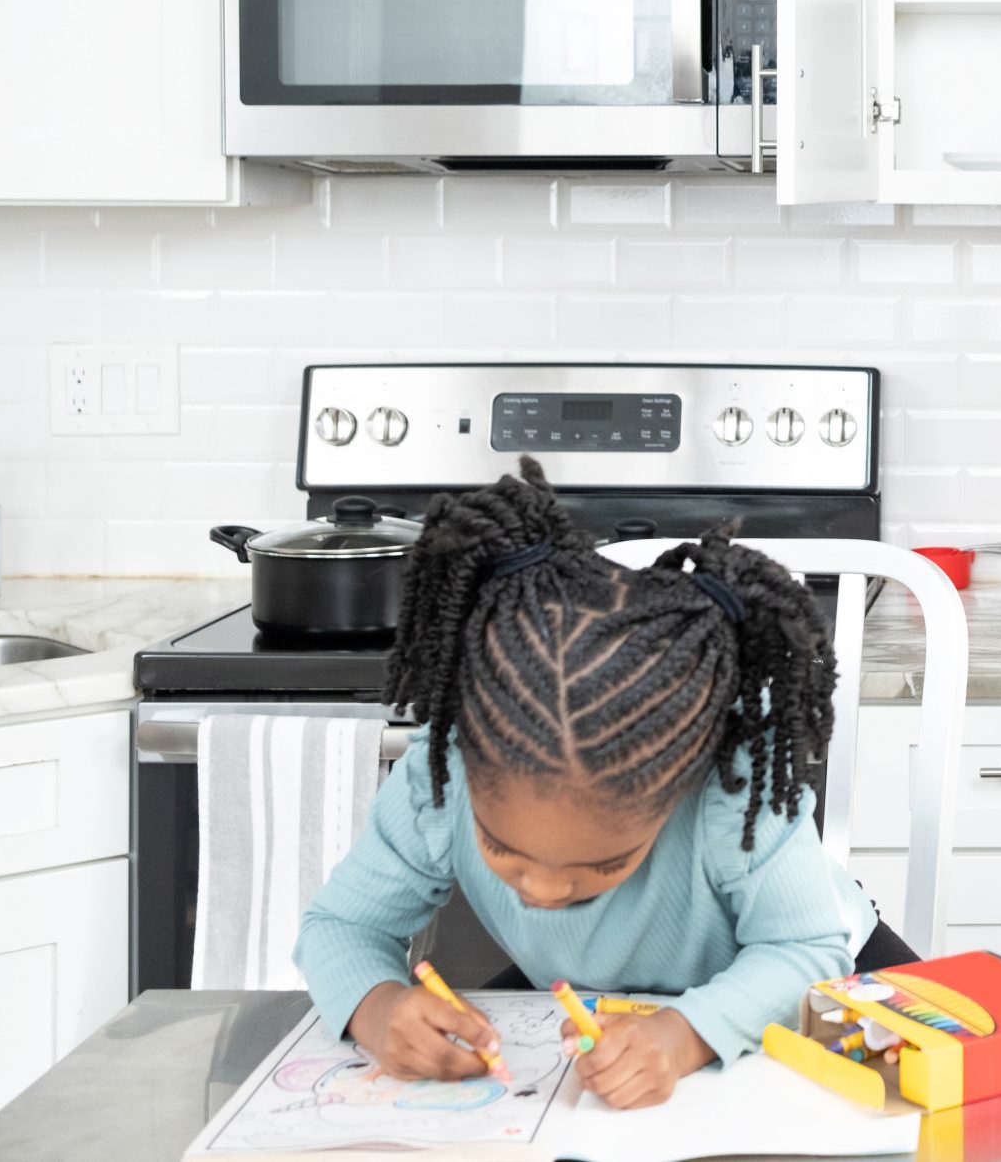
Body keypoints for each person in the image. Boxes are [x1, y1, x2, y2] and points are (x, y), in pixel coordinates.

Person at [293, 459, 862, 1109]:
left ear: (680, 789)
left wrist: (683, 1035)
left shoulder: (728, 792)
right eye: (502, 847)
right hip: (608, 996)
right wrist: (377, 1005)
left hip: (821, 972)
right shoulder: (439, 775)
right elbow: (338, 924)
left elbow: (807, 951)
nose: (541, 889)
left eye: (602, 862)